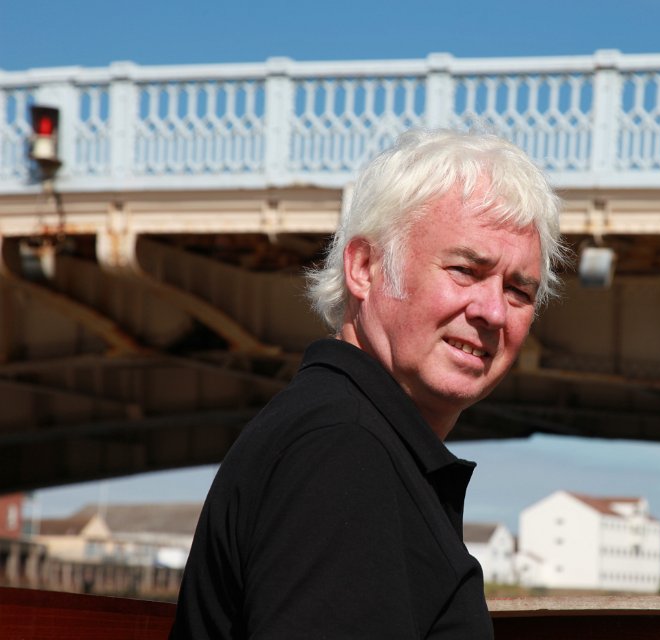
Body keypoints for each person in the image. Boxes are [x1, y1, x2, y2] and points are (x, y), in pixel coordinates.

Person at [169, 129, 564, 639]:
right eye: (465, 270)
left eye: (518, 291)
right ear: (364, 267)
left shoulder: (345, 434)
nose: (492, 311)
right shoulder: (343, 451)